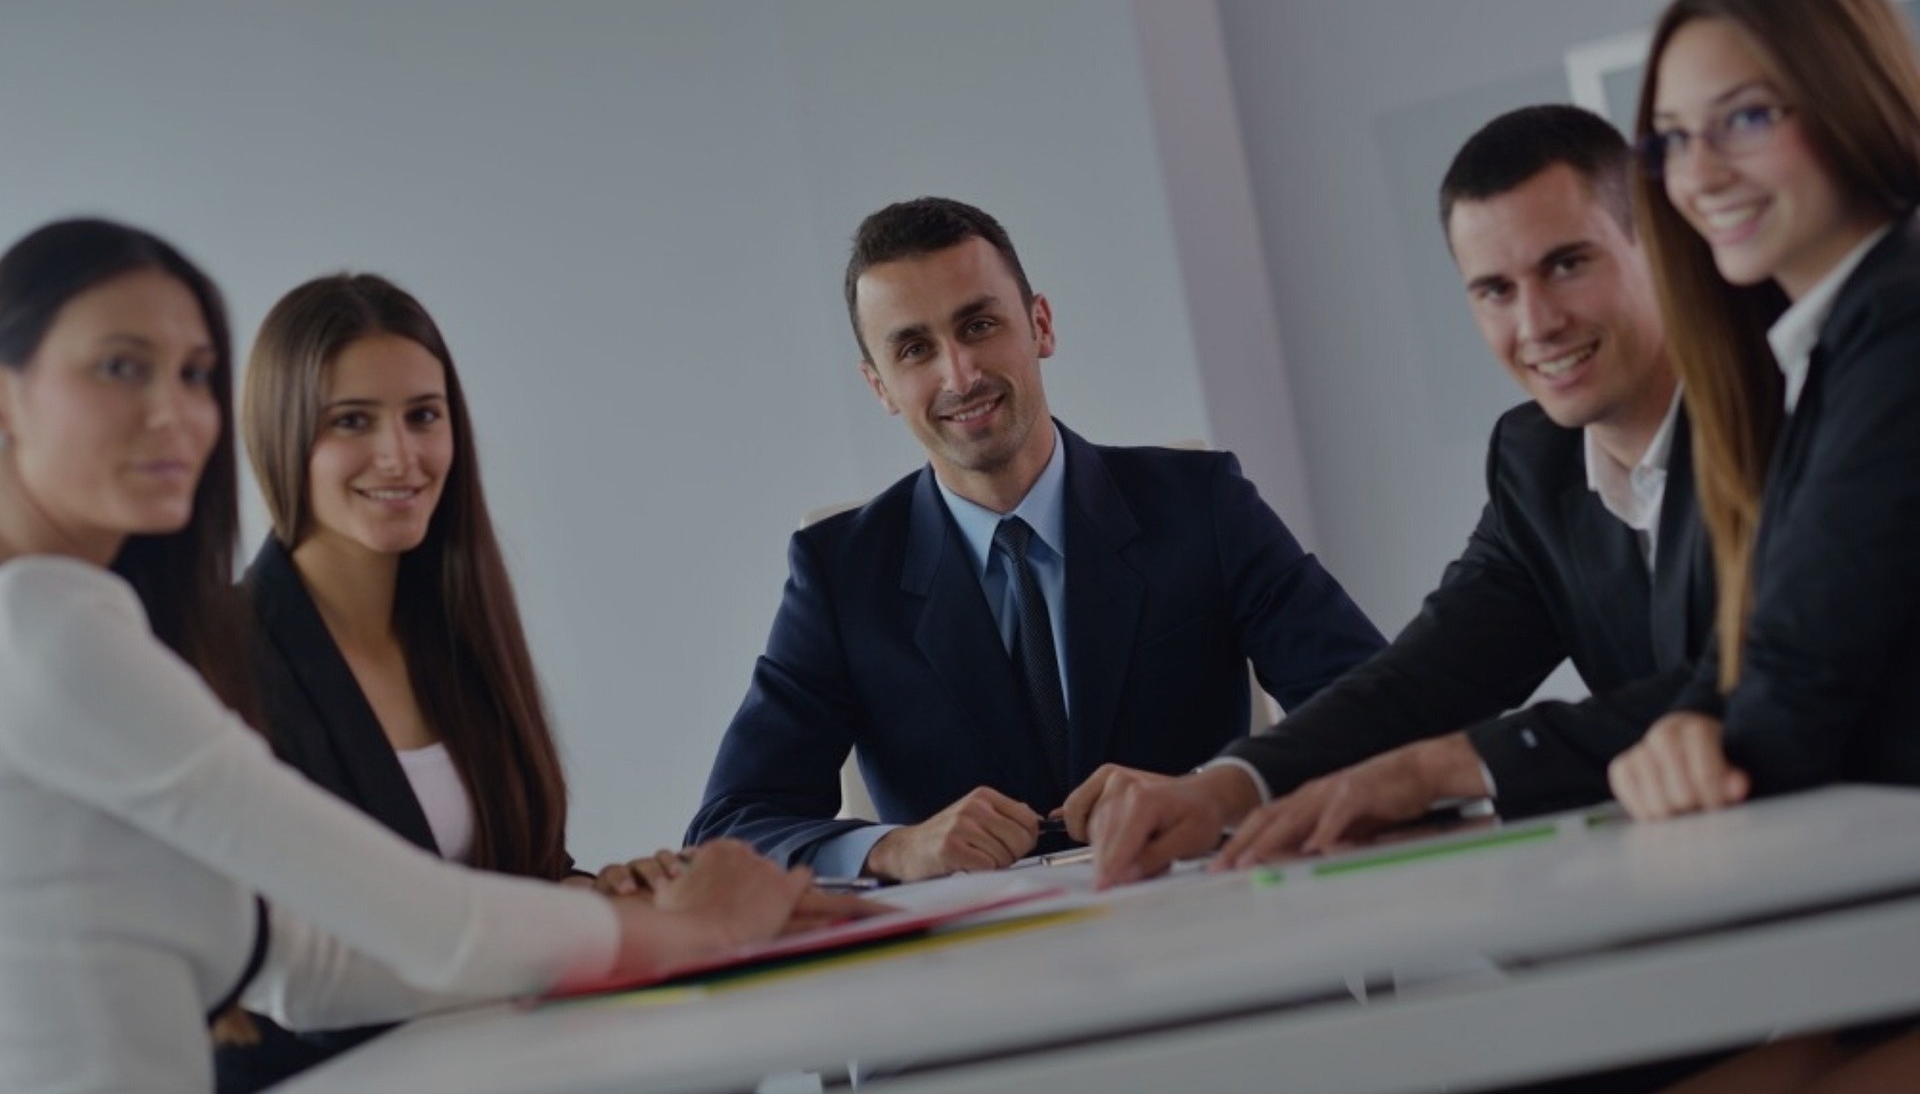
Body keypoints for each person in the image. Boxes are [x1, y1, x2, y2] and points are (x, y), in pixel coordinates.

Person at [0, 219, 852, 1094]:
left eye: (194, 374)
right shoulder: (46, 632)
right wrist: (694, 930)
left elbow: (305, 967)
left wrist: (624, 916)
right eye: (120, 366)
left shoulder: (80, 622)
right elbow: (419, 921)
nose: (174, 412)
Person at [1074, 105, 1714, 886]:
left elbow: (1763, 674)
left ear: (1657, 244)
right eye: (1494, 290)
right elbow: (1427, 676)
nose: (1537, 323)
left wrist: (1438, 770)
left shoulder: (1789, 413)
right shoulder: (1535, 457)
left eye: (1568, 265)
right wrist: (1227, 786)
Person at [687, 196, 1385, 882]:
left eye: (979, 325)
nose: (959, 375)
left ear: (1040, 326)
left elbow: (1378, 711)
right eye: (915, 349)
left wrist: (1214, 790)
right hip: (980, 953)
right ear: (881, 387)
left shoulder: (1201, 504)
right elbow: (729, 828)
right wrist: (894, 849)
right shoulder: (839, 575)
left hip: (1206, 922)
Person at [218, 273, 678, 1091]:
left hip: (498, 1060)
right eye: (352, 421)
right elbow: (294, 964)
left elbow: (516, 875)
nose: (401, 456)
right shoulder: (226, 657)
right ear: (280, 434)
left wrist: (601, 892)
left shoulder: (458, 629)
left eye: (423, 416)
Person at [1603, 0, 1920, 1091]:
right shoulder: (1823, 346)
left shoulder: (1902, 315)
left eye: (1744, 118)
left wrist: (1706, 764)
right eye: (1673, 137)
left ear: (1848, 95)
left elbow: (1802, 665)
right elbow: (1756, 639)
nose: (1700, 173)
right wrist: (1686, 727)